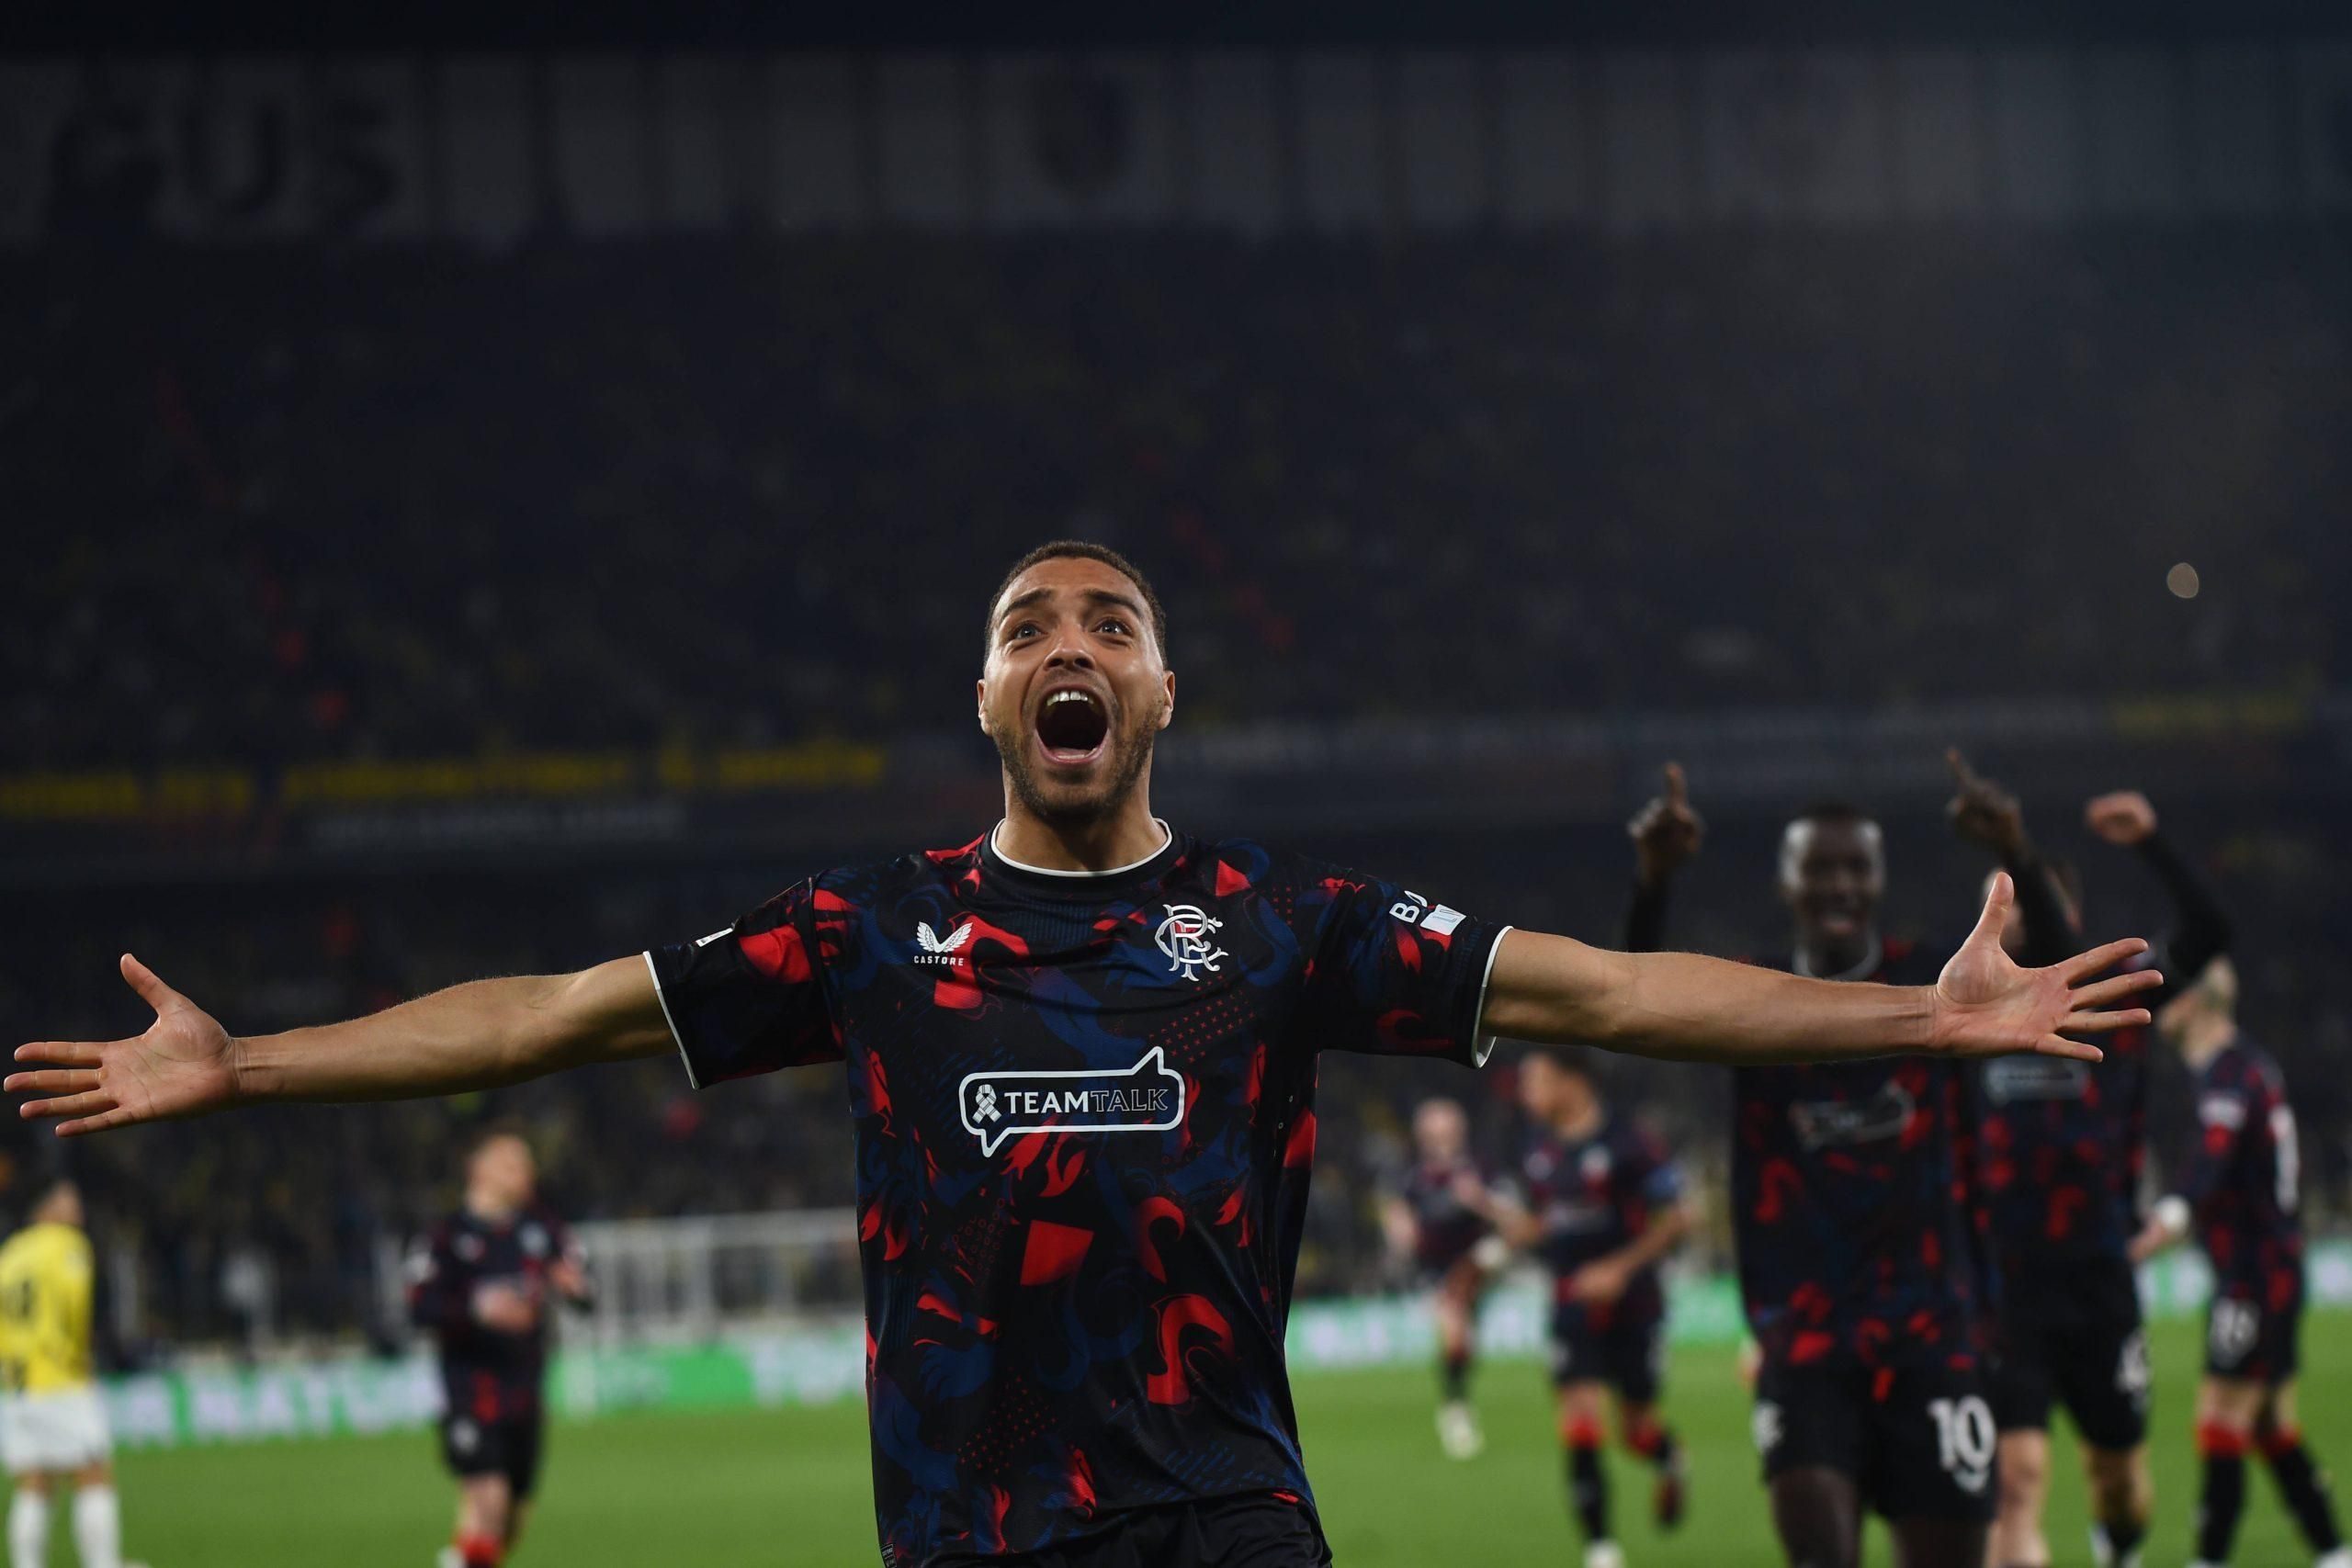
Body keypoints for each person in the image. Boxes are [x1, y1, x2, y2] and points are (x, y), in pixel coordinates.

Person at [11, 543, 2157, 1568]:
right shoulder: (864, 932)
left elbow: (1606, 990)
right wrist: (257, 1061)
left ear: (1156, 698)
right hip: (965, 1531)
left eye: (1108, 623)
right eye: (1030, 624)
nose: (1068, 643)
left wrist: (1924, 1007)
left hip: (1225, 1512)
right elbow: (546, 1014)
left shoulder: (1277, 924)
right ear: (985, 700)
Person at [1623, 761, 2070, 1568]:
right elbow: (1636, 1008)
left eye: (1856, 865)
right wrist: (1654, 884)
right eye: (1819, 866)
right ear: (1786, 880)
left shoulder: (1938, 983)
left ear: (1880, 878)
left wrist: (2018, 850)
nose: (1839, 883)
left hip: (1934, 1332)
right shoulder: (1753, 998)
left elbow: (2061, 969)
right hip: (1806, 1341)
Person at [1964, 781, 2233, 1568]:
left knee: (2117, 1479)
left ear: (2060, 914)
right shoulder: (1965, 1013)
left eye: (2012, 901)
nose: (1998, 920)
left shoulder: (2116, 994)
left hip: (2098, 1278)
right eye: (1989, 904)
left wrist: (2153, 843)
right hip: (2005, 1284)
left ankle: (2119, 1547)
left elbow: (2211, 929)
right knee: (2014, 1479)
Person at [2130, 958, 2349, 1568]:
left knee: (2219, 1419)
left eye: (2169, 998)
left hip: (2255, 1273)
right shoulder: (2249, 1063)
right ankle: (2334, 1550)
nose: (2161, 1012)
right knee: (2270, 1424)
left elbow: (2211, 1161)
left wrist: (2168, 1218)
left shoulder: (2228, 1074)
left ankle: (2209, 1559)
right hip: (2271, 1265)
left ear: (2194, 1005)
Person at [1474, 1046, 1693, 1568]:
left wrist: (1619, 1269)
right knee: (1580, 1420)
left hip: (1635, 1305)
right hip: (1571, 1306)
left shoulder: (1629, 1142)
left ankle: (1671, 1459)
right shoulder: (1537, 1151)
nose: (1526, 1094)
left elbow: (1677, 1219)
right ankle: (1601, 1549)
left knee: (1635, 1431)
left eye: (1535, 1081)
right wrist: (1500, 1243)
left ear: (1571, 1083)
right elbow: (1544, 1223)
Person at [408, 1132, 592, 1568]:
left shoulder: (541, 1229)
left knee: (511, 1518)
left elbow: (584, 1282)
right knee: (488, 1499)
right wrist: (476, 1311)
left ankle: (460, 1561)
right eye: (512, 1163)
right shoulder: (445, 1238)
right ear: (480, 1170)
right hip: (471, 1390)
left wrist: (577, 1289)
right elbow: (419, 1306)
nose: (525, 1173)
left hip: (525, 1392)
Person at [0, 1181, 138, 1568]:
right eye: (68, 1201)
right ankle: (104, 1563)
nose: (77, 1209)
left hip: (17, 1384)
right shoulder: (68, 1245)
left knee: (34, 1482)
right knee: (93, 1473)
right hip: (61, 1379)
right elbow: (74, 1310)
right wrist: (85, 1358)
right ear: (47, 1208)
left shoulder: (10, 1253)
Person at [1377, 1098, 1505, 1461]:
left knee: (1464, 1338)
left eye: (1447, 1133)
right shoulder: (1411, 1177)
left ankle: (1457, 1400)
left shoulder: (1481, 1168)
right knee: (1455, 1333)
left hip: (1479, 1261)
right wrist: (1400, 1230)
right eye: (1434, 1134)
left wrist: (1479, 1200)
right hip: (1437, 1270)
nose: (1441, 1140)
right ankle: (1456, 1409)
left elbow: (1511, 1217)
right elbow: (1398, 1217)